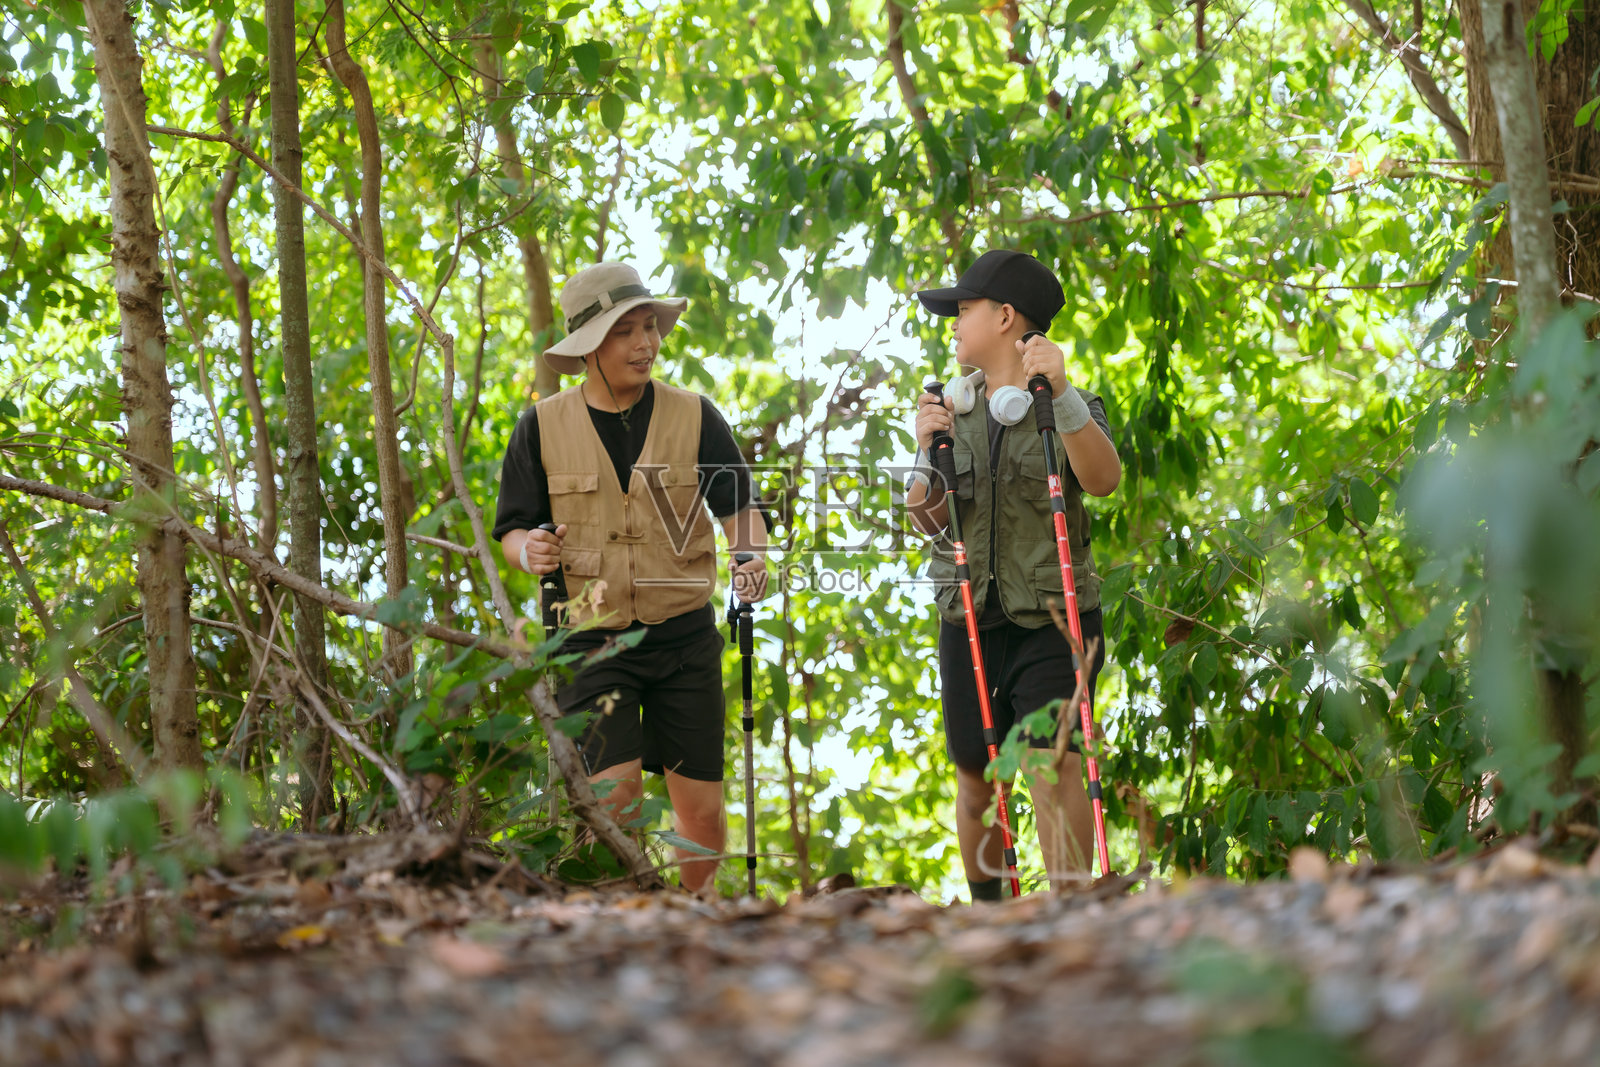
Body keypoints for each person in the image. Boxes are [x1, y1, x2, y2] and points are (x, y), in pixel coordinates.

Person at [493, 261, 770, 895]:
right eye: (627, 331)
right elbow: (512, 529)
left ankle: (695, 918)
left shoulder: (696, 415)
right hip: (589, 641)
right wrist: (526, 550)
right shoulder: (539, 427)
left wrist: (751, 559)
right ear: (589, 346)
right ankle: (620, 930)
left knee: (698, 811)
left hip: (683, 639)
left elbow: (739, 512)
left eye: (650, 327)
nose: (646, 344)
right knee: (613, 804)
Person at [903, 249, 1121, 900]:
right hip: (968, 616)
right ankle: (993, 917)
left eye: (962, 310)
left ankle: (1071, 914)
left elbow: (1103, 479)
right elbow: (927, 518)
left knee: (1052, 766)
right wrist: (924, 448)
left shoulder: (1072, 405)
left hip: (1055, 619)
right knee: (976, 777)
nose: (952, 324)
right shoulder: (951, 407)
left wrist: (1066, 397)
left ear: (1003, 317)